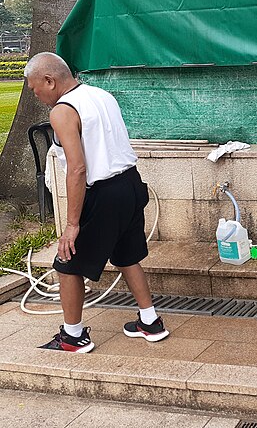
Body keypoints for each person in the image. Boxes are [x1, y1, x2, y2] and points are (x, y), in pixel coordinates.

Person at [23, 52, 168, 352]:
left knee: (67, 262)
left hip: (103, 193)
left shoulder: (63, 111)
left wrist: (72, 225)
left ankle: (73, 337)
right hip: (130, 184)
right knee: (127, 256)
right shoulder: (102, 95)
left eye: (36, 89)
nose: (37, 96)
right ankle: (150, 321)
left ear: (50, 81)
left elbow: (77, 168)